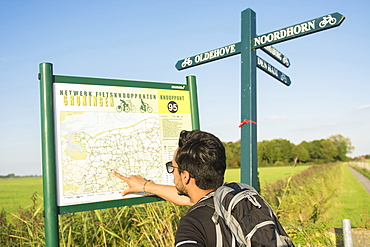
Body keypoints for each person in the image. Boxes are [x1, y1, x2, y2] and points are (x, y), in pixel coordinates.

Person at [113, 130, 226, 246]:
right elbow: (191, 198)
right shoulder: (235, 195)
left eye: (172, 167)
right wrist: (146, 186)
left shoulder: (193, 226)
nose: (172, 172)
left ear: (185, 176)